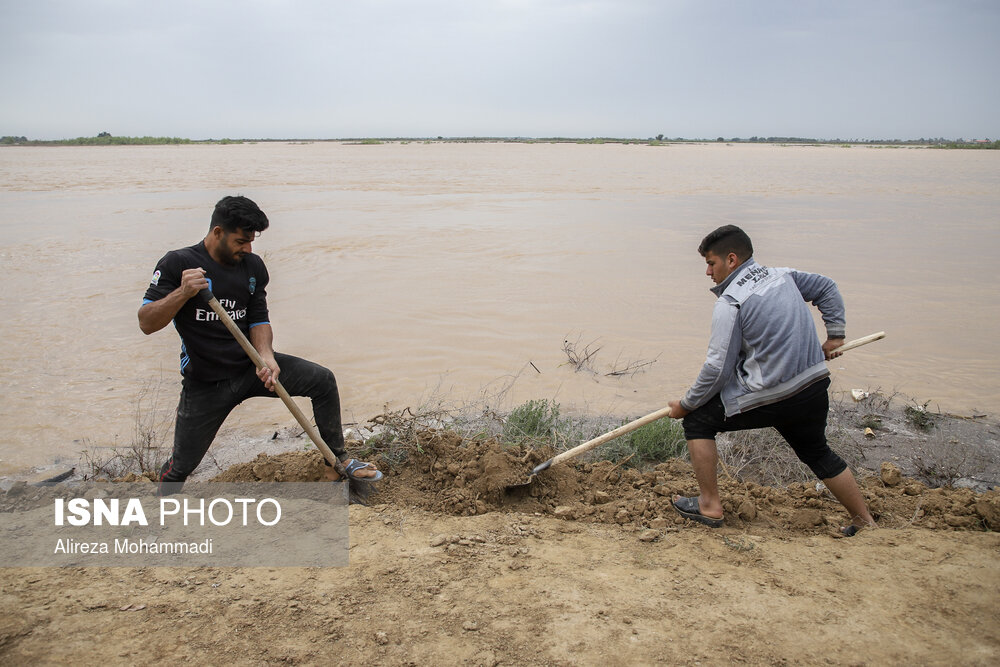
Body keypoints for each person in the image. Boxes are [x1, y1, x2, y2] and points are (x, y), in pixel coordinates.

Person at [139, 195, 381, 491]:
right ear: (218, 232)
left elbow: (258, 319)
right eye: (241, 241)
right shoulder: (179, 263)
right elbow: (146, 323)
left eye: (252, 241)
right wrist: (183, 293)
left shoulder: (252, 267)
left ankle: (339, 462)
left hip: (250, 368)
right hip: (206, 382)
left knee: (323, 381)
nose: (248, 248)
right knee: (182, 466)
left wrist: (266, 357)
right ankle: (162, 512)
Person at [666, 225, 876, 536]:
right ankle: (865, 521)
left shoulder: (731, 303)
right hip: (813, 385)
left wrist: (686, 404)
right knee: (817, 452)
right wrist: (835, 334)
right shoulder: (783, 276)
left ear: (732, 260)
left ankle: (709, 504)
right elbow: (827, 287)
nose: (708, 272)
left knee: (698, 421)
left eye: (711, 263)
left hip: (771, 396)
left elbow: (717, 369)